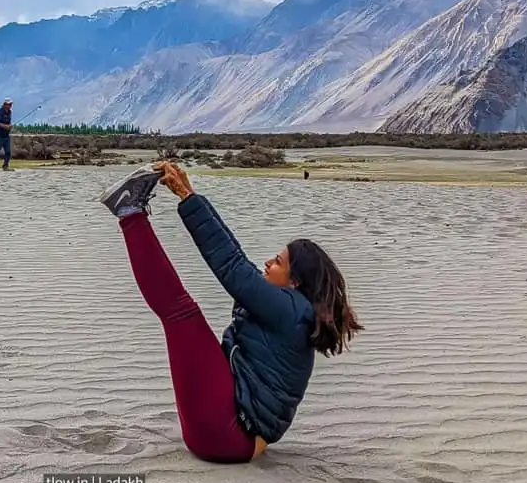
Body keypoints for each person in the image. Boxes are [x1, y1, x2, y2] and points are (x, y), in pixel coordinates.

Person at [98, 161, 362, 464]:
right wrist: (191, 196)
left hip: (226, 436)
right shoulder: (291, 309)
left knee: (181, 313)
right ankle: (130, 210)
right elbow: (238, 260)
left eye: (277, 261)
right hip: (227, 432)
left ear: (295, 281)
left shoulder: (289, 310)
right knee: (181, 314)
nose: (267, 263)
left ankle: (130, 212)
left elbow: (234, 269)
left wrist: (187, 197)